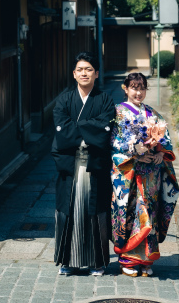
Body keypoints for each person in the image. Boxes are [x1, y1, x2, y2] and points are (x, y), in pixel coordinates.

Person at [52, 51, 115, 276]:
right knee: (68, 211)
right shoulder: (64, 100)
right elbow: (61, 129)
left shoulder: (105, 100)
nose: (84, 73)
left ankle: (97, 262)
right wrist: (89, 129)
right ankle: (68, 262)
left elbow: (105, 127)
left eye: (89, 69)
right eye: (80, 69)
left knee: (95, 211)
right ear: (74, 74)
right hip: (70, 165)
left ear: (96, 74)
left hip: (94, 165)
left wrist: (77, 129)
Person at [110, 72, 179, 277]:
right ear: (125, 88)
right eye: (134, 87)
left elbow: (164, 139)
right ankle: (129, 259)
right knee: (132, 213)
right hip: (130, 173)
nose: (138, 92)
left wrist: (160, 153)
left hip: (152, 175)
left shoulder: (153, 114)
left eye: (142, 88)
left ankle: (147, 258)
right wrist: (135, 154)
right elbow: (114, 142)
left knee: (151, 212)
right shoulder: (118, 113)